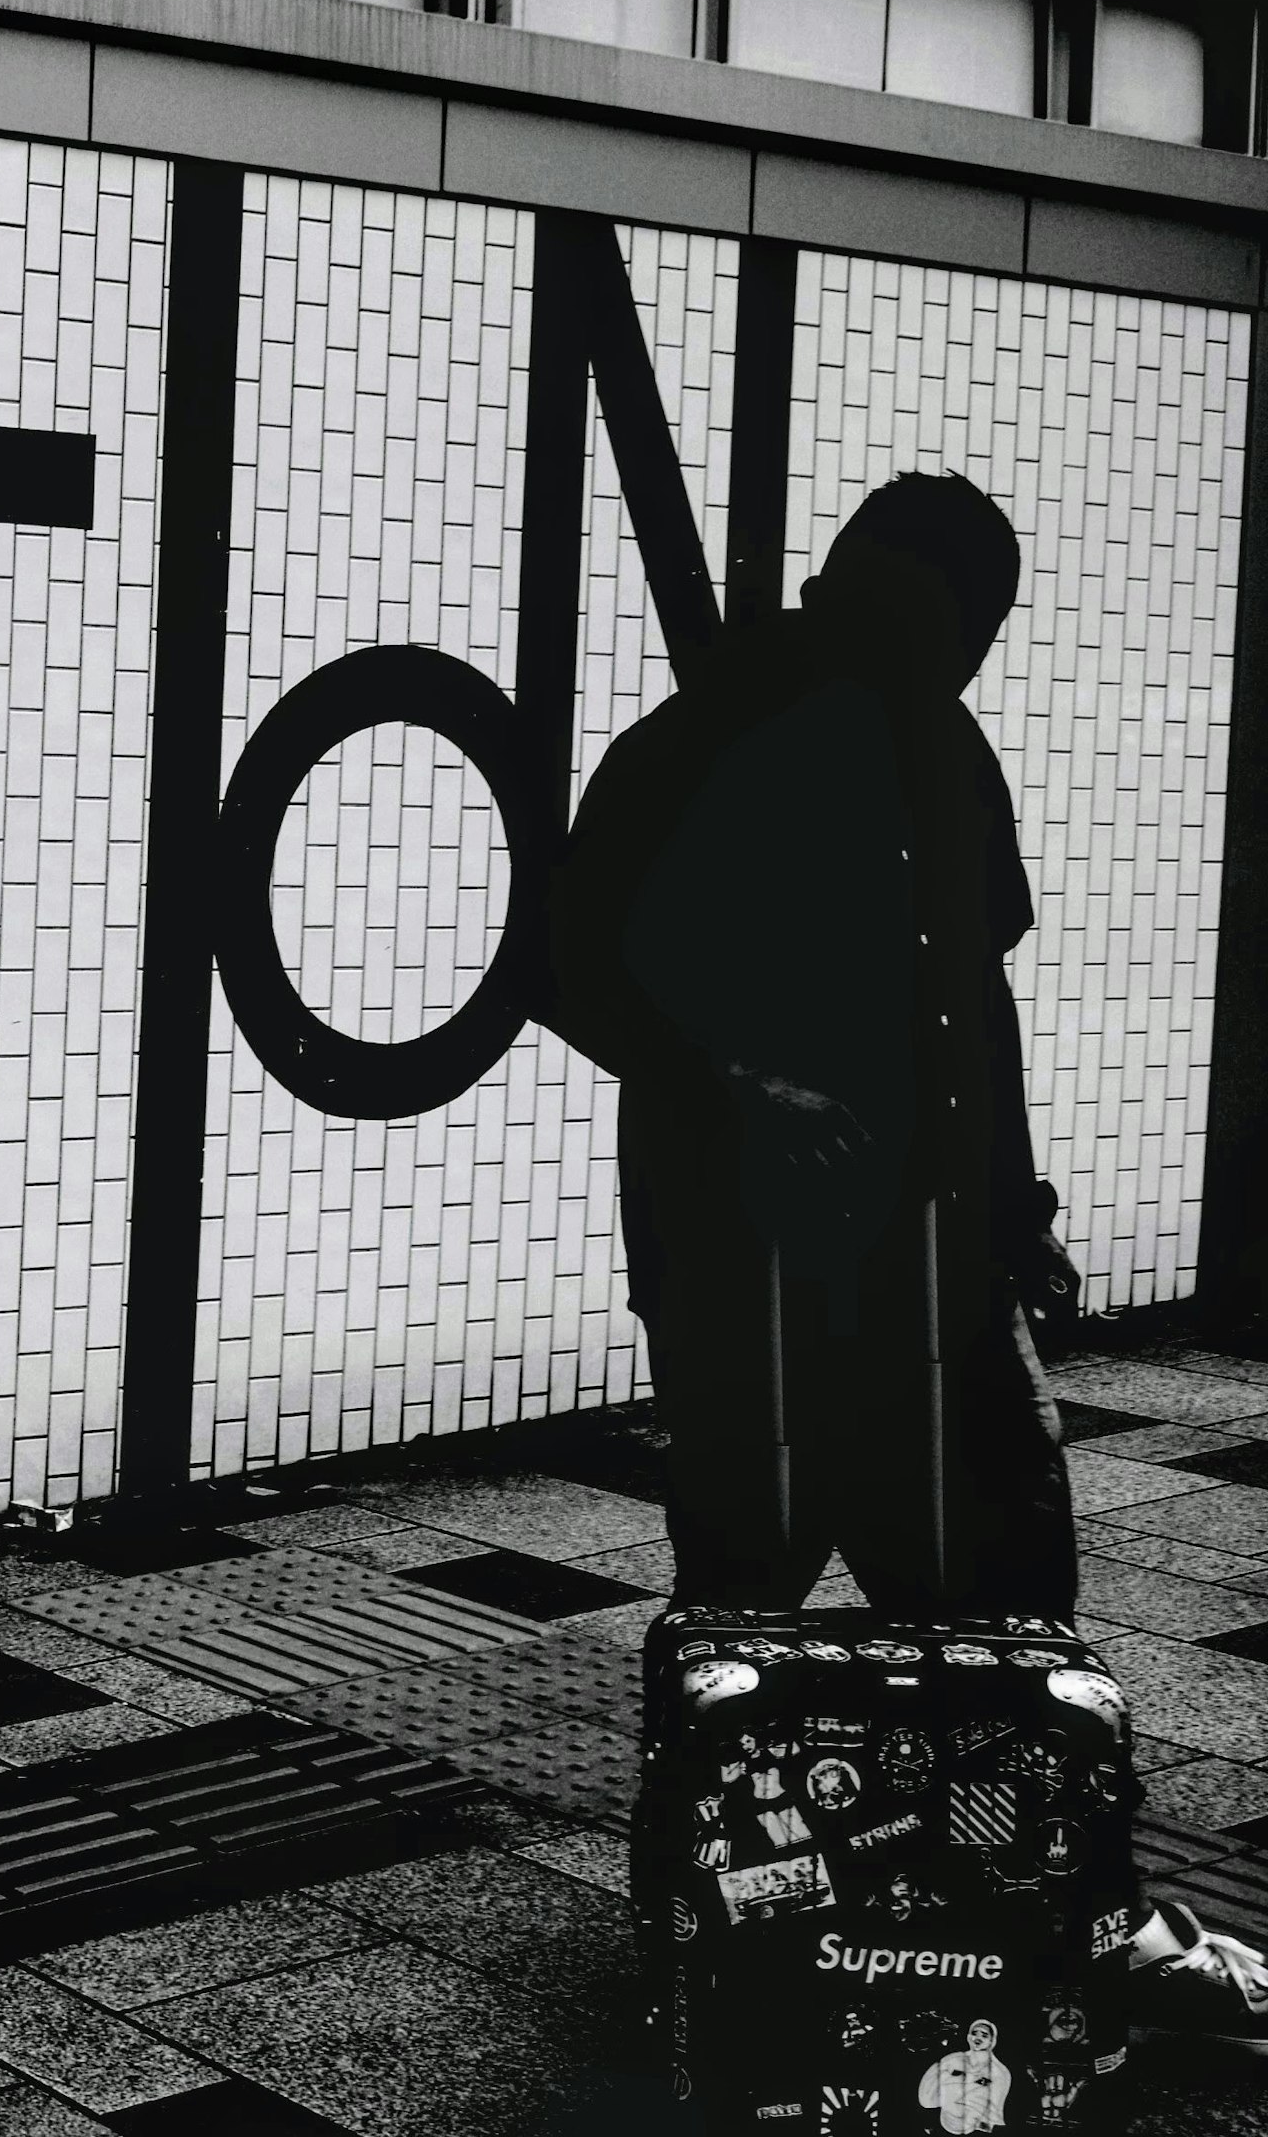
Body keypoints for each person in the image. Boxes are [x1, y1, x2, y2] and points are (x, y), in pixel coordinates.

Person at [549, 471, 1268, 2053]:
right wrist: (744, 1084)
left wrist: (1019, 1215)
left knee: (995, 1572)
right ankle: (741, 1907)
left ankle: (1026, 1903)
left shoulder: (942, 751)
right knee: (759, 1575)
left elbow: (970, 1013)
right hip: (753, 1246)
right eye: (952, 618)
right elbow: (564, 958)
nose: (958, 654)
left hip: (925, 1243)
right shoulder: (712, 732)